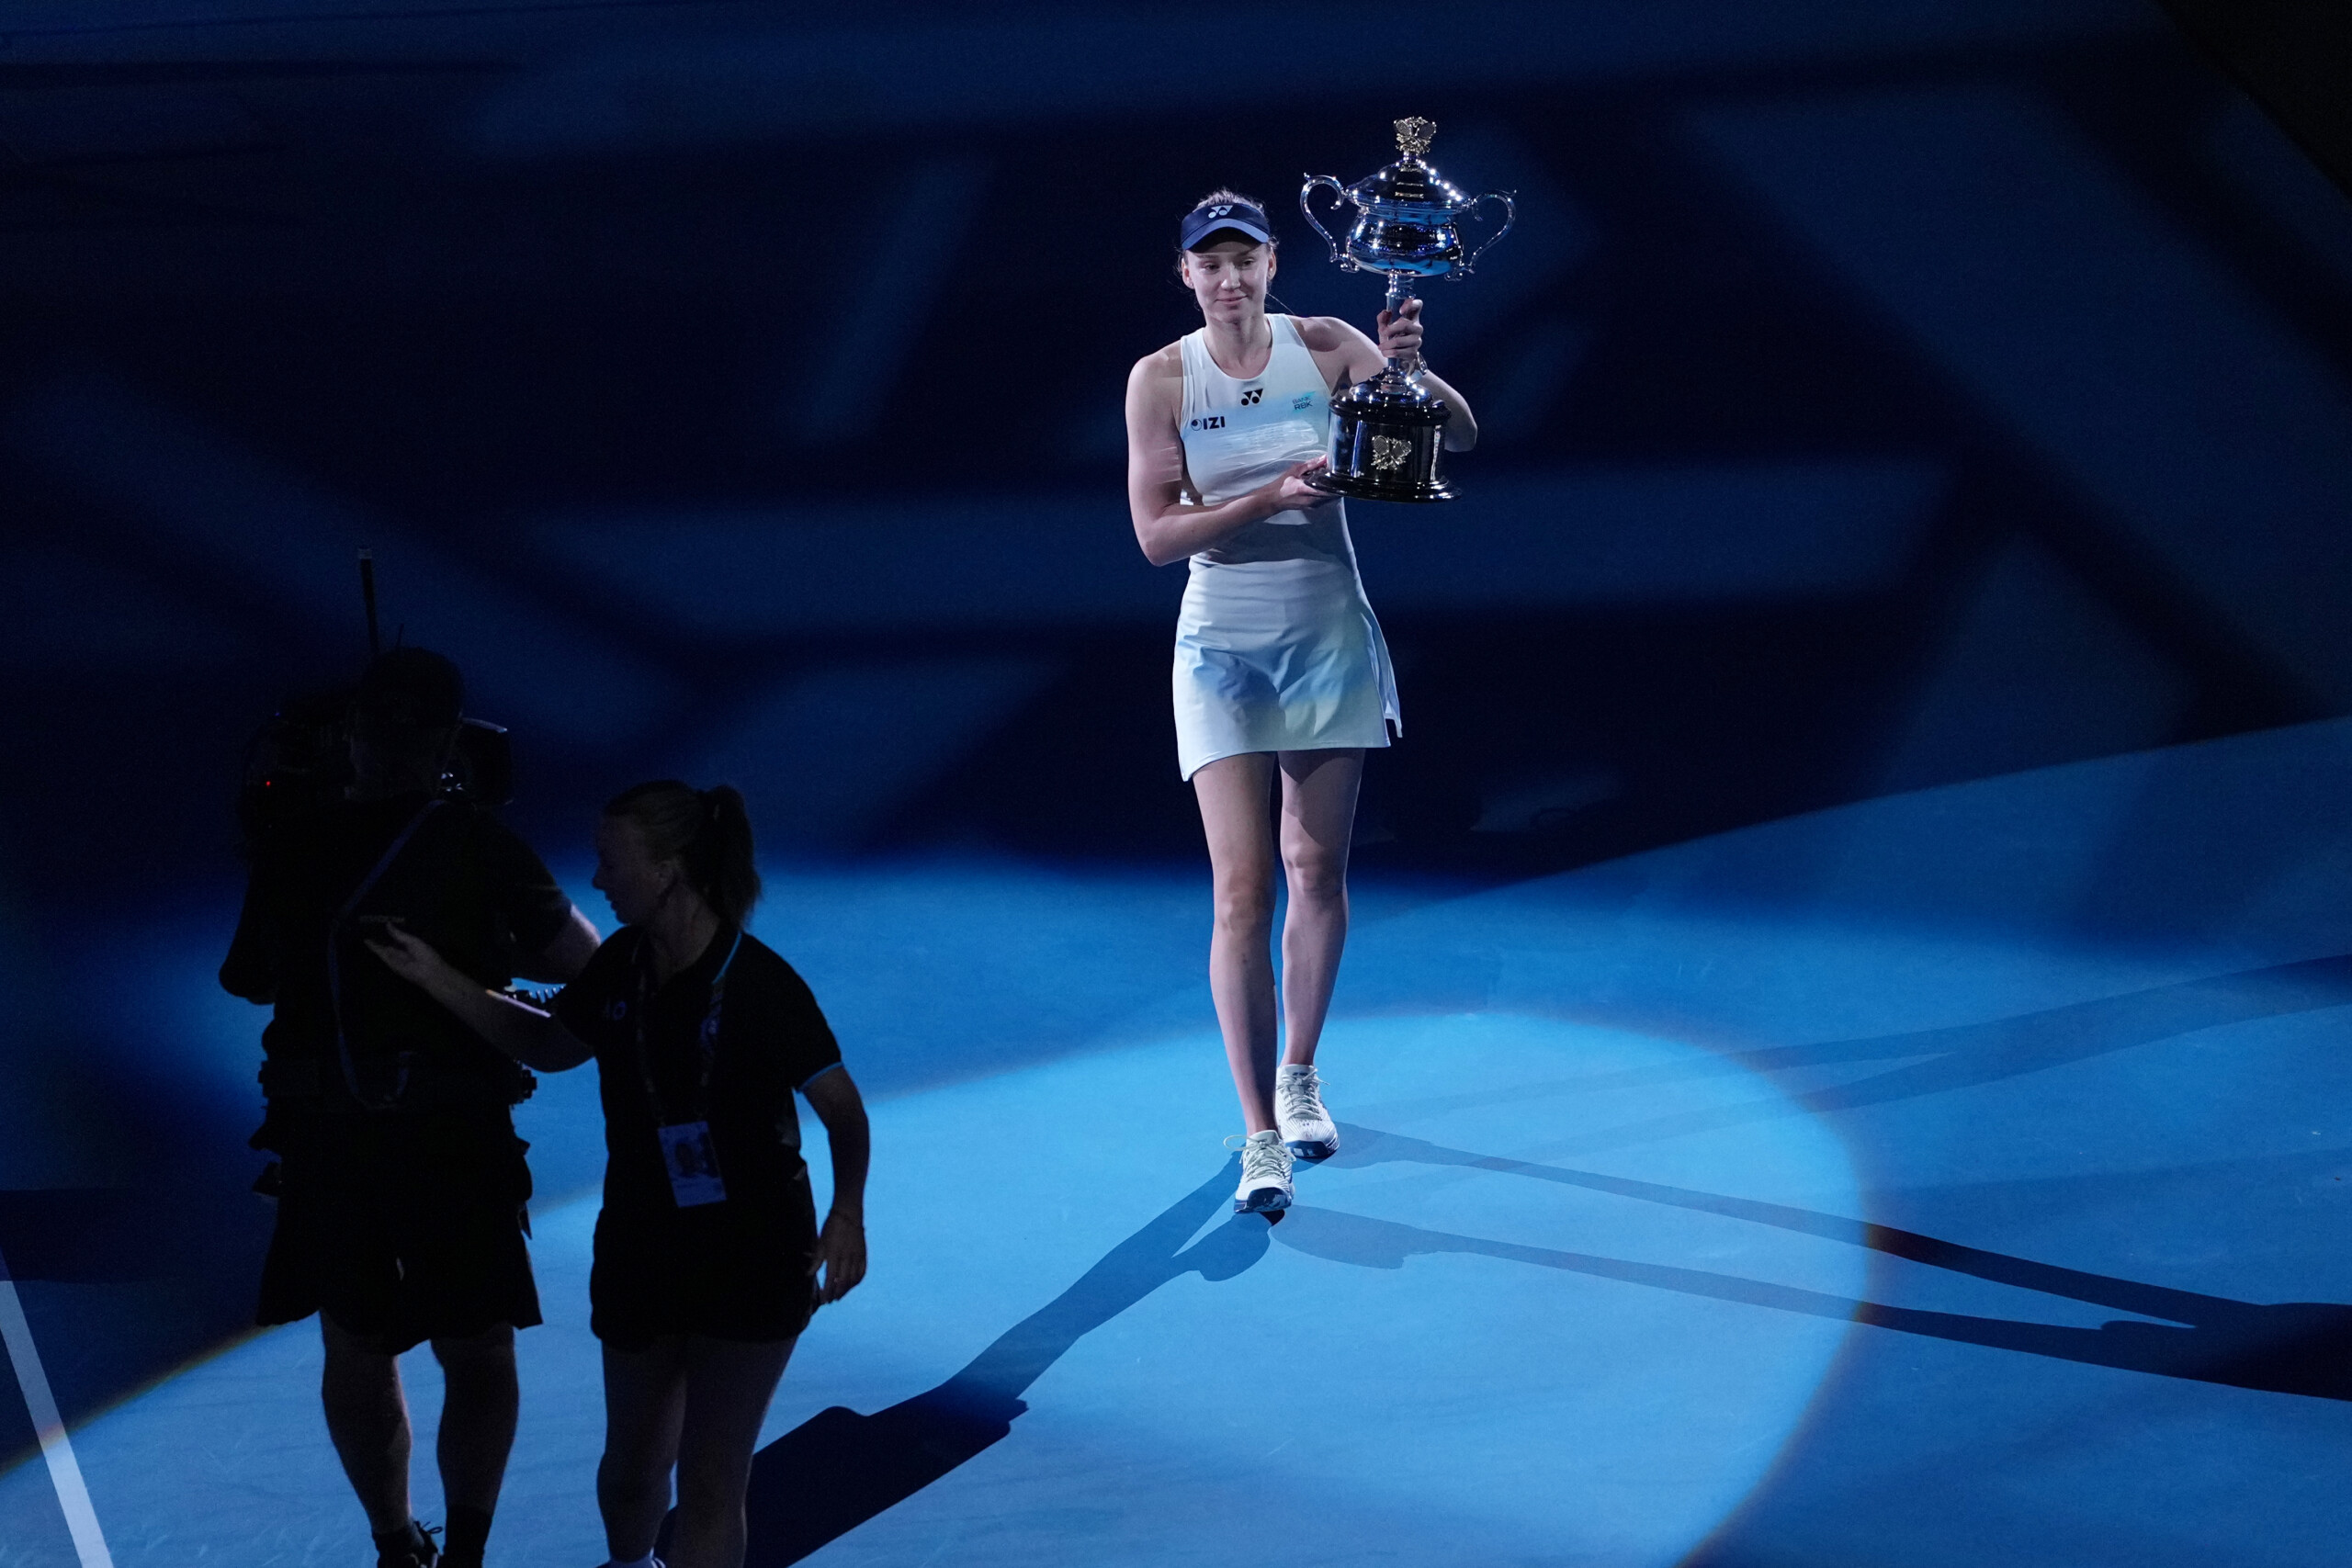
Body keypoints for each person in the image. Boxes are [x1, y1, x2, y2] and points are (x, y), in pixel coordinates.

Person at [369, 781, 869, 1568]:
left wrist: (847, 1214)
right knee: (632, 1473)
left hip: (755, 1254)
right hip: (643, 1245)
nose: (597, 880)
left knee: (711, 1482)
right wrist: (437, 978)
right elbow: (549, 1045)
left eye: (611, 861)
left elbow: (843, 1110)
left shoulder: (766, 987)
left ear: (668, 868)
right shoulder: (620, 966)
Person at [1124, 191, 1480, 1214]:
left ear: (1273, 263)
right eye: (1211, 263)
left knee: (1313, 866)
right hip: (1221, 651)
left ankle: (1301, 1074)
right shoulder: (1159, 378)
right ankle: (1258, 1133)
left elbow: (1454, 435)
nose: (1229, 279)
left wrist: (1407, 368)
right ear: (1185, 274)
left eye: (1245, 260)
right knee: (1240, 893)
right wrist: (1269, 496)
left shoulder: (1324, 346)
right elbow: (1156, 537)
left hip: (1325, 633)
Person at [220, 648, 602, 1568]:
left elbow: (247, 978)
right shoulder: (476, 842)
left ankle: (396, 1548)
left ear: (349, 735)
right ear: (447, 740)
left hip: (330, 1143)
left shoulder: (293, 844)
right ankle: (463, 1556)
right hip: (452, 1140)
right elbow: (582, 965)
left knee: (355, 1345)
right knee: (478, 1353)